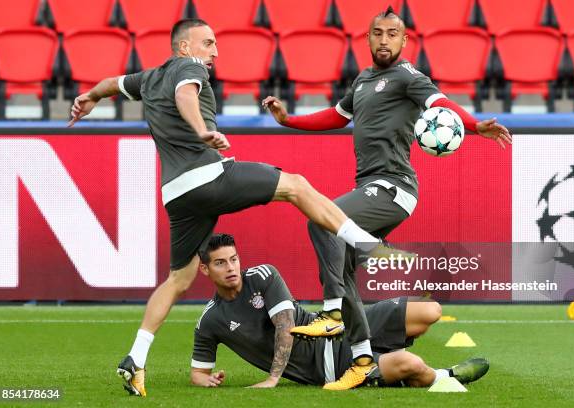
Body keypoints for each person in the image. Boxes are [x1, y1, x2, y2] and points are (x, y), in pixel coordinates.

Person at [68, 18, 399, 397]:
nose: (215, 51)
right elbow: (185, 97)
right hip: (206, 175)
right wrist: (201, 131)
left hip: (176, 194)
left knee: (178, 279)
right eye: (207, 43)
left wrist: (91, 96)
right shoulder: (187, 68)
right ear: (184, 47)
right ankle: (362, 240)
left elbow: (113, 82)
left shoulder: (148, 77)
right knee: (296, 185)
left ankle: (135, 358)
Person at [262, 6, 512, 390]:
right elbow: (337, 115)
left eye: (392, 34)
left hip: (394, 187)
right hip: (370, 185)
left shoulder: (408, 76)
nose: (384, 40)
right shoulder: (362, 80)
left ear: (403, 39)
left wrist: (475, 125)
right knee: (343, 268)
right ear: (367, 38)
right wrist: (288, 120)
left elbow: (440, 105)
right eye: (377, 33)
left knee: (321, 220)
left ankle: (331, 311)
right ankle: (362, 360)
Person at [191, 233, 489, 389]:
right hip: (330, 365)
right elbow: (198, 373)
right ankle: (445, 376)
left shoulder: (263, 276)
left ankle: (384, 351)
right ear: (204, 269)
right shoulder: (210, 320)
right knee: (411, 363)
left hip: (339, 327)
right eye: (220, 263)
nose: (231, 268)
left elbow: (285, 327)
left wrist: (272, 378)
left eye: (233, 259)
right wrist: (207, 379)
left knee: (429, 310)